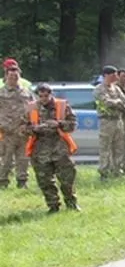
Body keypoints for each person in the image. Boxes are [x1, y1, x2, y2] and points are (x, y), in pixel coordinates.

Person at [26, 82, 79, 212]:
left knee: (67, 178)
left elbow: (72, 124)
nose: (44, 98)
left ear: (51, 94)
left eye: (46, 95)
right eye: (41, 96)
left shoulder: (62, 105)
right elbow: (22, 127)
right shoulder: (31, 108)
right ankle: (53, 205)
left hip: (60, 147)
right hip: (40, 149)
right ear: (37, 95)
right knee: (45, 180)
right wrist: (34, 129)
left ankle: (71, 203)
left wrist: (59, 124)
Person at [0, 59, 35, 188]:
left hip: (23, 131)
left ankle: (22, 181)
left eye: (16, 75)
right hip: (6, 131)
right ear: (6, 76)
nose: (13, 77)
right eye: (11, 75)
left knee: (23, 159)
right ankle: (2, 181)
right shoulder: (1, 92)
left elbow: (33, 109)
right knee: (5, 159)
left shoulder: (26, 92)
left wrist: (30, 125)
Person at [93, 66, 125, 179]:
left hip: (118, 121)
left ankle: (116, 171)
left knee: (118, 148)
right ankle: (104, 173)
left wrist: (117, 102)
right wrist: (117, 102)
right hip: (106, 121)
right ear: (106, 75)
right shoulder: (99, 89)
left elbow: (124, 102)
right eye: (113, 75)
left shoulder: (116, 89)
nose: (115, 77)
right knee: (105, 148)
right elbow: (105, 102)